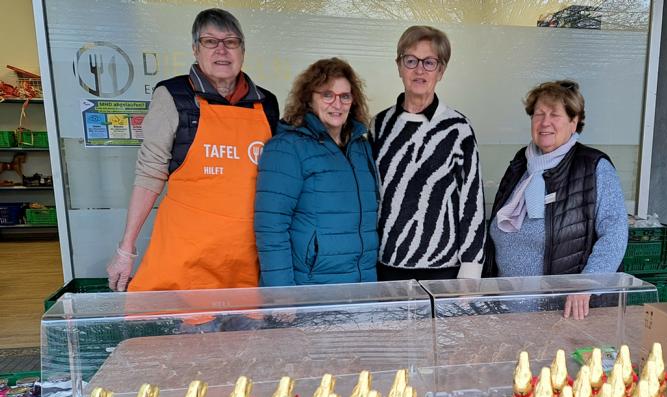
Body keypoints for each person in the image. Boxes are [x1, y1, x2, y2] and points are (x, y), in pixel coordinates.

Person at [106, 8, 280, 292]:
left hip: (248, 258)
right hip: (187, 256)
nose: (222, 50)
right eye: (210, 41)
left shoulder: (266, 104)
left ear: (243, 50)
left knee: (244, 330)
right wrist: (126, 249)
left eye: (231, 42)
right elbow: (150, 173)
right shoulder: (172, 96)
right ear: (195, 50)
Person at [484, 80, 628, 319]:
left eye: (555, 115)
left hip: (561, 312)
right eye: (538, 114)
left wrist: (587, 285)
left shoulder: (593, 167)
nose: (545, 122)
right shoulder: (522, 163)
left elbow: (615, 233)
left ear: (574, 122)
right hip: (507, 310)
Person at [370, 25, 485, 281]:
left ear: (441, 71)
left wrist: (471, 268)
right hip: (386, 265)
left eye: (429, 62)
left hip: (441, 269)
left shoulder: (458, 128)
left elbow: (472, 201)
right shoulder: (379, 126)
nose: (419, 70)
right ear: (399, 66)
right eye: (411, 60)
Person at [254, 58, 379, 285]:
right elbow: (271, 228)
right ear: (309, 99)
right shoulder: (286, 147)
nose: (337, 104)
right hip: (310, 289)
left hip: (362, 287)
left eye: (345, 96)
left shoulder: (362, 147)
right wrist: (280, 295)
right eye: (327, 95)